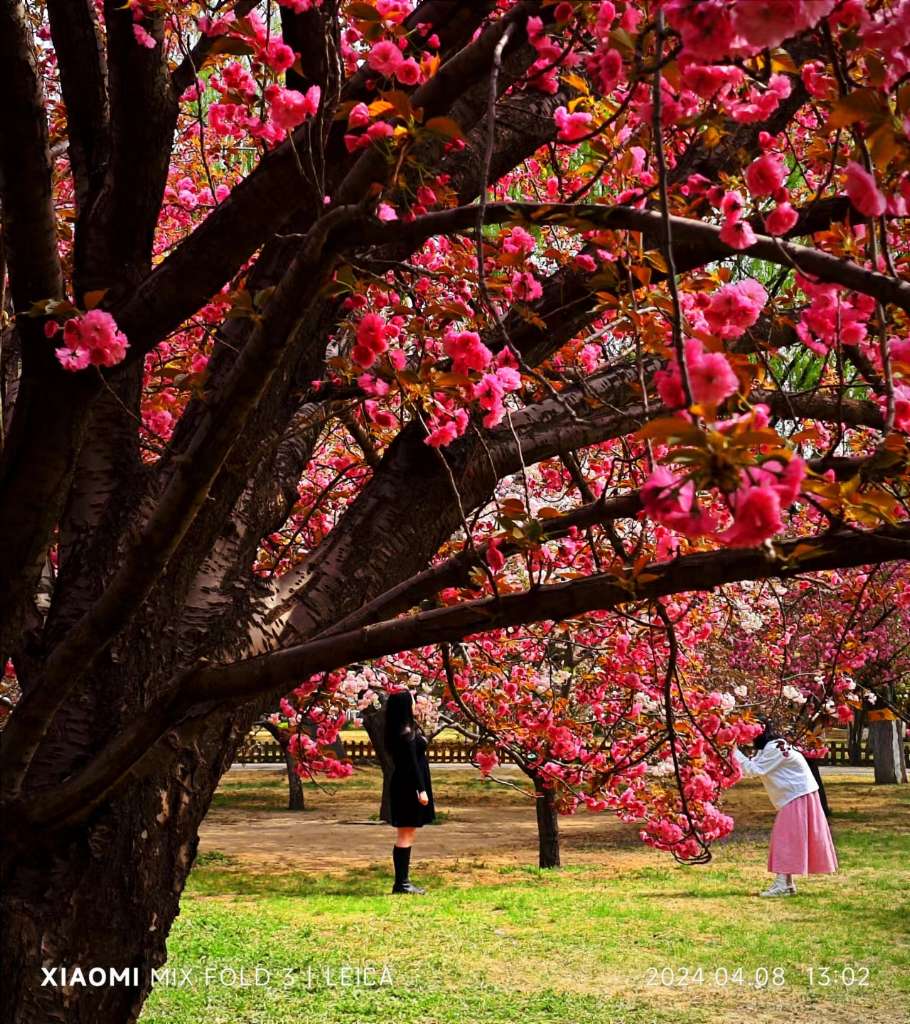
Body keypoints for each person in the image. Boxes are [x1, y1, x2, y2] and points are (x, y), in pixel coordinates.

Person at [733, 719, 838, 897]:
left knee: (785, 839)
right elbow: (753, 767)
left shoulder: (773, 748)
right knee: (787, 839)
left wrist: (733, 751)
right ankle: (786, 884)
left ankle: (783, 884)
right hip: (798, 794)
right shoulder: (774, 746)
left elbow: (753, 770)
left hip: (796, 795)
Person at [384, 690, 435, 894]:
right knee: (406, 832)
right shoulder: (405, 733)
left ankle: (403, 881)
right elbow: (411, 765)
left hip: (406, 784)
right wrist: (420, 790)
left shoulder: (401, 729)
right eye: (412, 702)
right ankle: (402, 883)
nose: (415, 705)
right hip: (408, 786)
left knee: (407, 832)